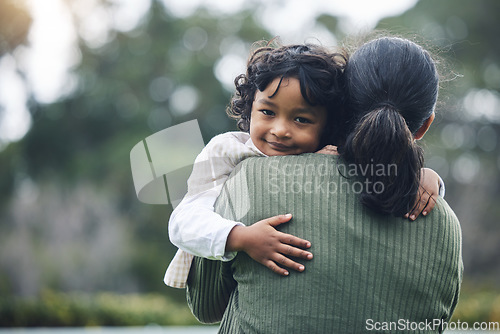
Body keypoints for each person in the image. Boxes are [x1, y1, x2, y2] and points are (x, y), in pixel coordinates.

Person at [186, 37, 463, 333]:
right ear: (424, 125)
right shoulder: (443, 221)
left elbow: (206, 306)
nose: (280, 130)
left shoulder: (247, 182)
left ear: (341, 109)